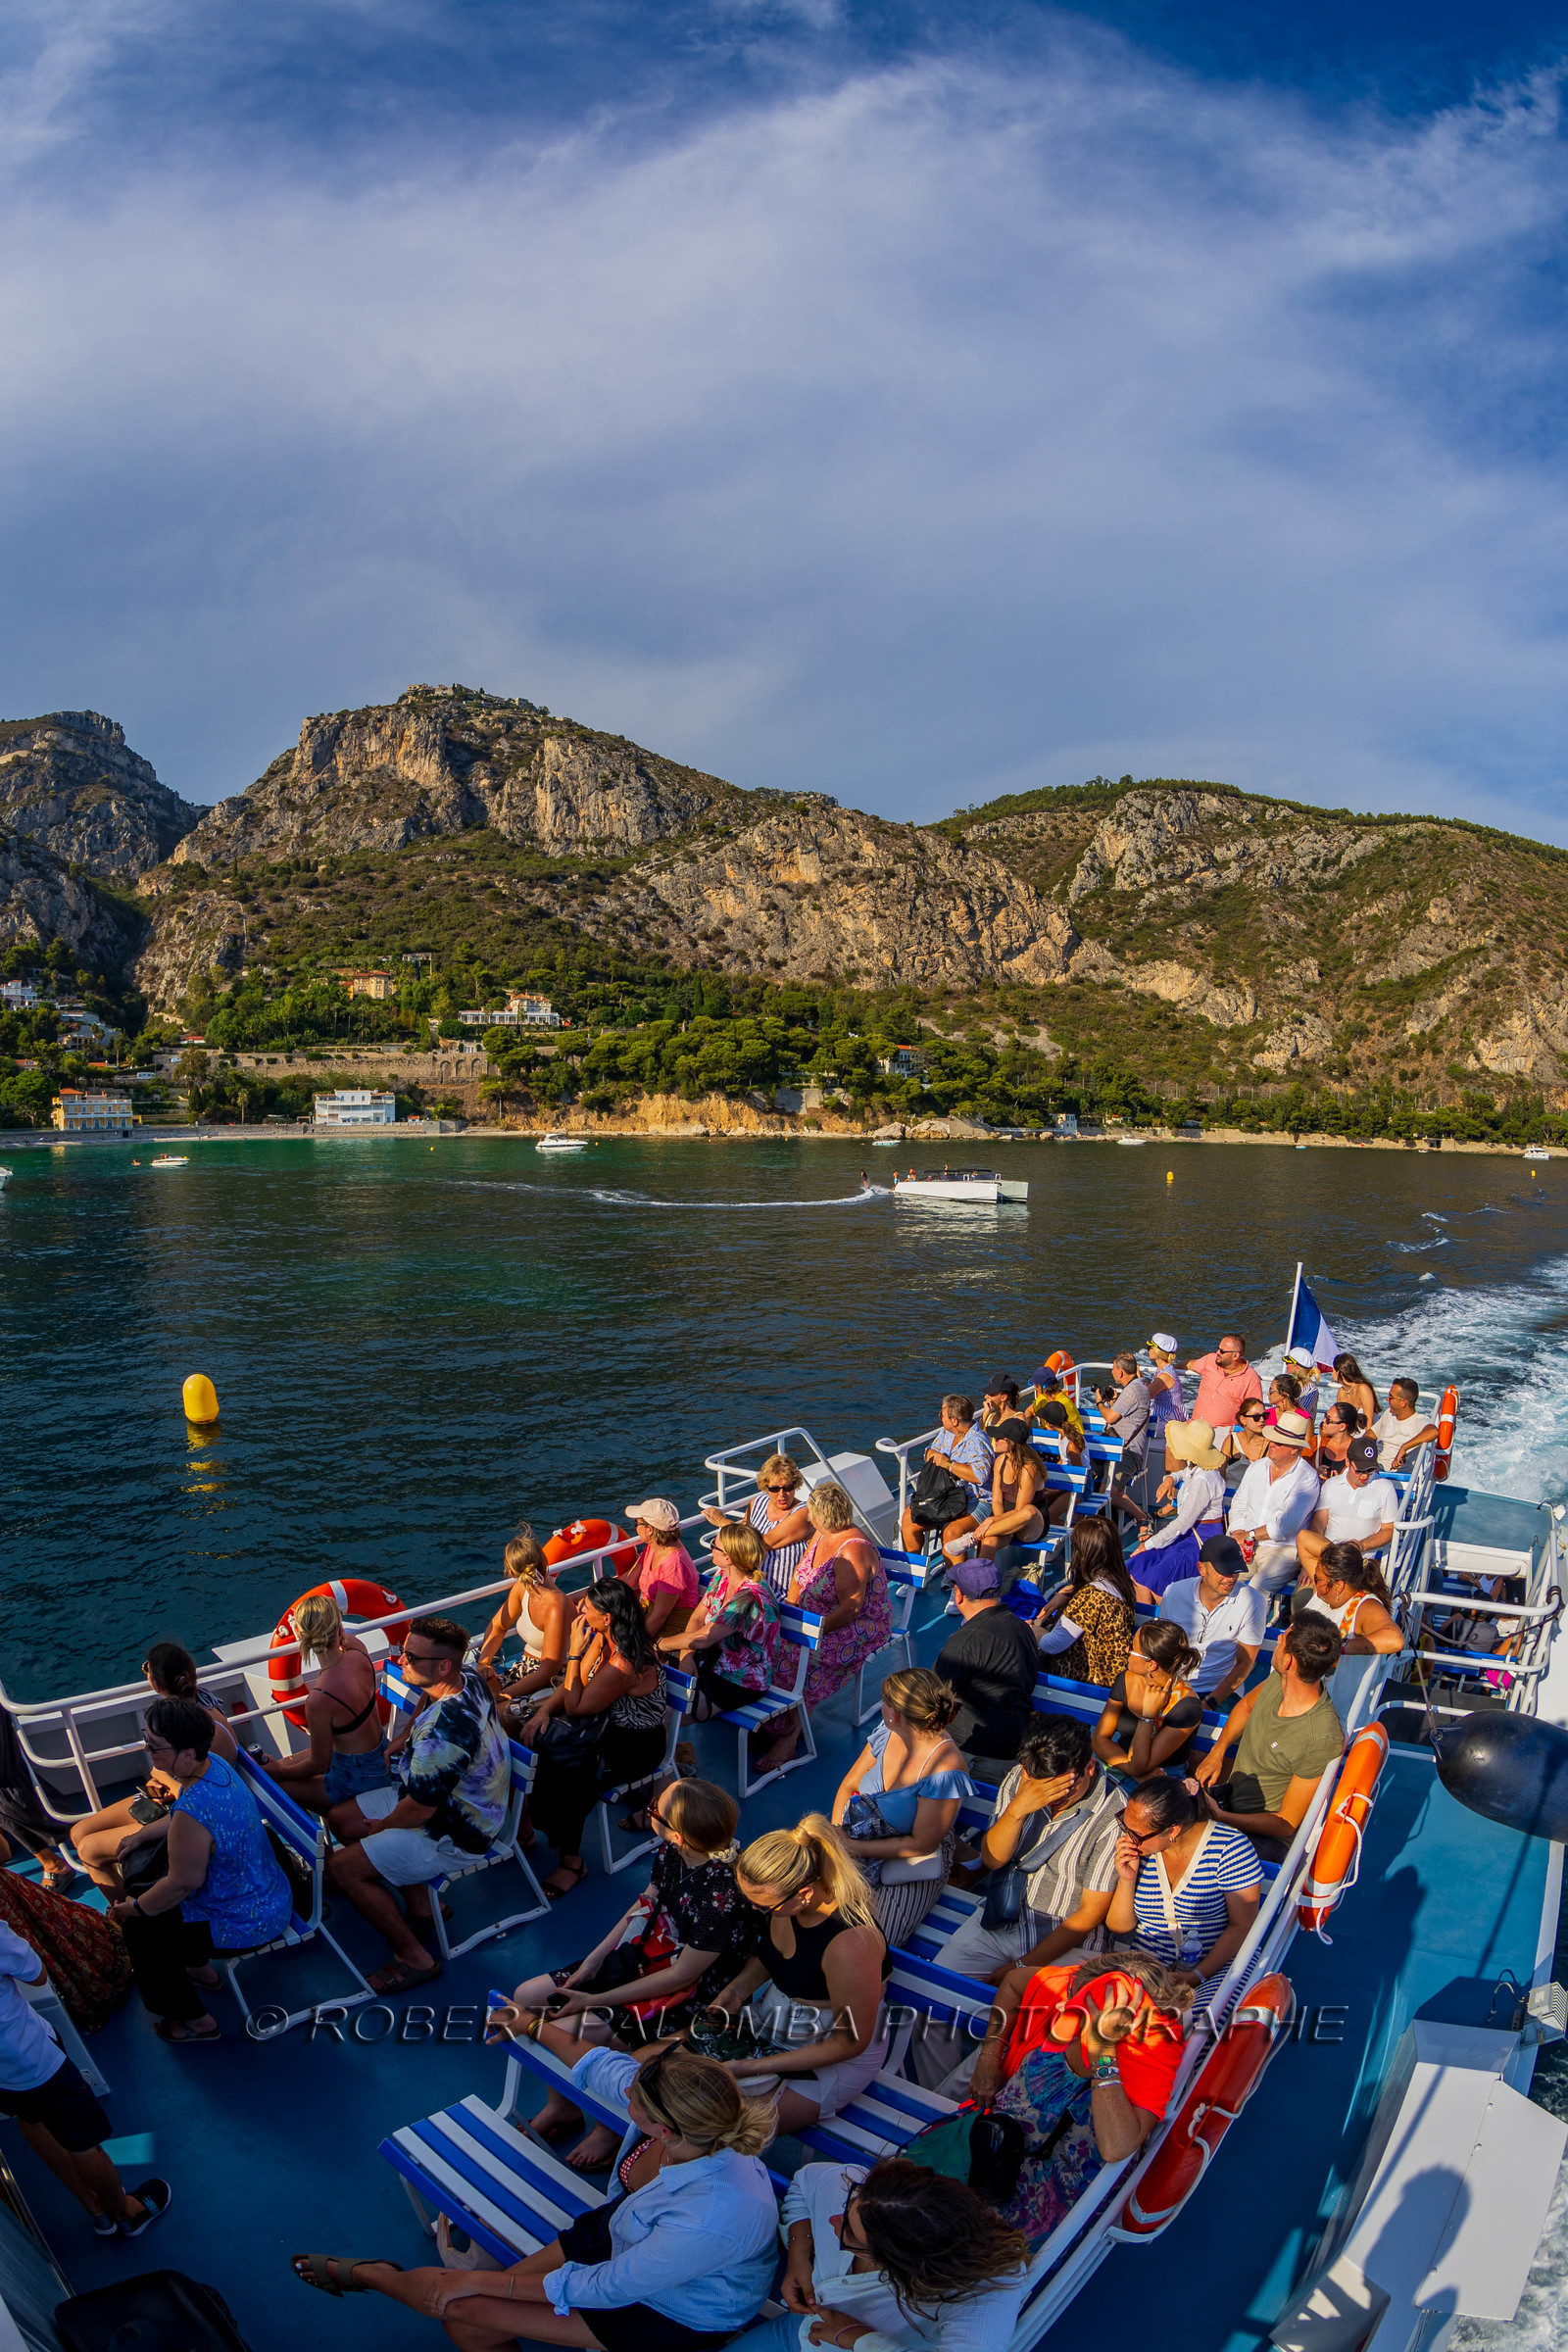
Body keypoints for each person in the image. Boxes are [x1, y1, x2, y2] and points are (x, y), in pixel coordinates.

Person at [293, 2043, 781, 2348]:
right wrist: (535, 2022)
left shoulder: (711, 2216)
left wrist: (488, 2285)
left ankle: (374, 2277)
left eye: (633, 2100)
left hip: (672, 2311)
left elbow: (610, 2288)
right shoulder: (691, 2129)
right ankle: (384, 2278)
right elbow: (604, 2069)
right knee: (463, 2311)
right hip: (622, 2232)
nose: (624, 2097)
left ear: (664, 2127)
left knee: (459, 2307)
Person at [501, 1778, 759, 2167]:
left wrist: (595, 1998)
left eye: (656, 1808)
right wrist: (593, 1960)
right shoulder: (674, 1853)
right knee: (528, 1997)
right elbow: (645, 1904)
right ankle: (563, 2105)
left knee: (573, 2027)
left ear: (679, 1834)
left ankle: (613, 2126)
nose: (650, 1807)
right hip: (645, 1956)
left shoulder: (721, 1897)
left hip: (688, 1991)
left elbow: (683, 1977)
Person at [326, 1615, 512, 1986]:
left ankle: (416, 1957)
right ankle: (423, 1906)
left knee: (343, 1869)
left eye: (410, 1656)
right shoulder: (468, 1678)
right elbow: (429, 1698)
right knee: (340, 1819)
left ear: (443, 1665)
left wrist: (381, 1829)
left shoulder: (443, 1736)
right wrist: (405, 1734)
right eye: (402, 1651)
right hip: (453, 1801)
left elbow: (419, 1810)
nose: (401, 1661)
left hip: (456, 1832)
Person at [965, 1950, 1190, 2244]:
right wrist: (989, 2059)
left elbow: (1115, 2147)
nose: (1061, 2004)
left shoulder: (1125, 2038)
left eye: (1071, 2002)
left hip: (1014, 2224)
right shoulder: (1082, 1989)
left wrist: (1102, 2049)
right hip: (991, 2159)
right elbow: (1014, 1980)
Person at [106, 1696, 292, 2042]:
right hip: (268, 1891)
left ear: (188, 1753)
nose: (150, 1752)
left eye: (155, 1747)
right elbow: (186, 1821)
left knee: (142, 1932)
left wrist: (133, 1909)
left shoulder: (194, 1808)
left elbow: (182, 1883)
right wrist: (145, 1831)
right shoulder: (217, 1765)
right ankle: (201, 1971)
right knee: (156, 1907)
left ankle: (193, 2020)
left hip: (247, 1922)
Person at [729, 2155, 1030, 2352]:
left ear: (898, 2262)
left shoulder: (981, 2288)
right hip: (799, 2335)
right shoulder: (852, 2191)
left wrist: (859, 2338)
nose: (835, 2220)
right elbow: (804, 2182)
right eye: (850, 2205)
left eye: (849, 2233)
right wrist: (799, 2252)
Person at [708, 1818, 891, 2135]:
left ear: (803, 1893)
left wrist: (752, 2066)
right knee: (680, 2086)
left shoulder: (850, 1945)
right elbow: (772, 1956)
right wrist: (736, 1992)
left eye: (762, 1906)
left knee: (718, 2129)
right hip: (779, 2017)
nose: (754, 1910)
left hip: (834, 2049)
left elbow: (850, 2042)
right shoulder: (787, 1906)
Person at [0, 1916, 169, 2237]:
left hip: (3, 2075)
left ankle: (94, 2209)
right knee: (84, 2144)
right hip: (33, 2060)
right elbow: (36, 1975)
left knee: (30, 2119)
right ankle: (125, 2213)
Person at [929, 1716, 1121, 1989]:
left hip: (1068, 1944)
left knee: (1035, 2024)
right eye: (1038, 1786)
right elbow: (993, 1859)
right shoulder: (1024, 1777)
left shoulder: (1113, 1815)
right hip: (1001, 1921)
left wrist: (1021, 1966)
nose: (1050, 1798)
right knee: (935, 1989)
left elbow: (1090, 1914)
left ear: (1089, 1767)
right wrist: (1017, 1809)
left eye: (1061, 1790)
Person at [519, 1583, 666, 1902]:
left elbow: (576, 1704)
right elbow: (577, 1683)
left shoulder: (628, 1662)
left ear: (607, 1617)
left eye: (587, 1608)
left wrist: (573, 1650)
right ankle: (531, 1824)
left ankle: (571, 1863)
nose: (580, 1611)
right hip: (605, 1731)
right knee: (537, 1745)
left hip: (636, 1746)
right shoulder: (602, 1639)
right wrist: (542, 1712)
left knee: (568, 1776)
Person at [71, 1642, 240, 1893]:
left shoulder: (200, 1729)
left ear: (156, 1685)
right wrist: (161, 1779)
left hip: (191, 1814)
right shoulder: (193, 1706)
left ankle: (124, 1917)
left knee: (88, 1850)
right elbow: (176, 1774)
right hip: (174, 1797)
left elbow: (202, 1797)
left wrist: (164, 1779)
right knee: (78, 1832)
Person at [753, 1486, 891, 1776]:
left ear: (819, 1515)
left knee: (811, 1657)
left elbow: (851, 1608)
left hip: (858, 1624)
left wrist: (812, 1632)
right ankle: (784, 1718)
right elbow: (799, 1576)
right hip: (814, 1616)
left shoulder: (852, 1551)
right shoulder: (822, 1534)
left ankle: (790, 1738)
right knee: (775, 1645)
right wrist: (789, 1611)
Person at [832, 1669, 972, 1947]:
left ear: (894, 1713)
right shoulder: (887, 1732)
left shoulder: (945, 1769)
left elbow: (920, 1844)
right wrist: (837, 1833)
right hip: (852, 1839)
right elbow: (849, 1785)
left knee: (868, 1943)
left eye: (885, 1701)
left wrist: (851, 1847)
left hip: (908, 1864)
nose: (881, 1706)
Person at [1195, 1617, 1346, 1860]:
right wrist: (1218, 1752)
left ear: (1288, 1661)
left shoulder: (1322, 1737)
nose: (1277, 1639)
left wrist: (1221, 1818)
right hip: (1227, 1807)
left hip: (1263, 1839)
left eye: (1283, 1638)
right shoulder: (1280, 1680)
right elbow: (1246, 1707)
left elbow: (1285, 1823)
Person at [1105, 1777, 1262, 1984]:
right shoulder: (1140, 1852)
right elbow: (1119, 1926)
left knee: (1198, 2016)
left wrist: (1195, 1976)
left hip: (1216, 1968)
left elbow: (1242, 1926)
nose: (1126, 1838)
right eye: (1124, 1824)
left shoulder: (1230, 1849)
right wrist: (1127, 1879)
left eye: (1136, 1834)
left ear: (1172, 1831)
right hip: (1148, 1969)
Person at [261, 1591, 389, 1813]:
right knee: (281, 1764)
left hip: (354, 1781)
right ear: (339, 1628)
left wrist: (280, 1773)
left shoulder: (320, 1698)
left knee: (274, 1784)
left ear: (302, 1636)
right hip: (380, 1760)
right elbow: (343, 1637)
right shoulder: (358, 1651)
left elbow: (320, 1763)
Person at [933, 1558, 1042, 1783]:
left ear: (959, 1595)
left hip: (974, 1753)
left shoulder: (965, 1641)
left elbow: (934, 1699)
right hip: (1012, 1747)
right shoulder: (1022, 1627)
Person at [662, 1521, 780, 1719]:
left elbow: (704, 1637)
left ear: (728, 1557)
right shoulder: (722, 1576)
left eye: (714, 1546)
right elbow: (698, 1618)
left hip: (740, 1679)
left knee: (664, 1715)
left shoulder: (749, 1597)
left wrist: (659, 1644)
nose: (712, 1550)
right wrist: (686, 1656)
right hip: (712, 1661)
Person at [1157, 1535, 1267, 1706]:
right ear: (1201, 1569)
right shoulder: (1174, 1593)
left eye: (1235, 1571)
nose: (1231, 1578)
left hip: (1221, 1693)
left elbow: (1245, 1663)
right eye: (1224, 1571)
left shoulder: (1253, 1602)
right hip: (1176, 1686)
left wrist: (1210, 1702)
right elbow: (1162, 1650)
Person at [478, 1529, 576, 1715]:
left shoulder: (556, 1606)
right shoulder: (521, 1590)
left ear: (510, 1571)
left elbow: (549, 1671)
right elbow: (498, 1626)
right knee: (473, 1694)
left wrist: (502, 1695)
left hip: (553, 1679)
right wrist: (484, 1662)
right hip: (524, 1669)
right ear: (544, 1562)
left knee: (494, 1713)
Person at [1127, 1419, 1227, 1601]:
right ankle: (1148, 1617)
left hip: (1200, 1540)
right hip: (1190, 1533)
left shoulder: (1202, 1481)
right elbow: (1184, 1473)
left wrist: (1148, 1544)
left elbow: (1182, 1523)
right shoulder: (1197, 1468)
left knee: (1155, 1570)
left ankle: (1158, 1615)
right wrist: (1170, 1479)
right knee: (1138, 1564)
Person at [1092, 1623, 1204, 1782]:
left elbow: (1139, 1763)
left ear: (1151, 1664)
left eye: (1132, 1648)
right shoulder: (1126, 1679)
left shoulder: (1187, 1707)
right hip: (1118, 1762)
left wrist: (1148, 1716)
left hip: (1163, 1776)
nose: (1126, 1650)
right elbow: (1099, 1740)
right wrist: (1131, 1770)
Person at [1033, 1517, 1136, 1689]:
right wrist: (1069, 1592)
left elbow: (1052, 1645)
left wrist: (1035, 1631)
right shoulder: (1121, 1583)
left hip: (1086, 1684)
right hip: (1112, 1679)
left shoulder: (1090, 1598)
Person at [1225, 1409, 1321, 1593]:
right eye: (1272, 1439)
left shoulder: (1307, 1478)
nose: (1271, 1444)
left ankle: (1253, 1623)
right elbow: (1239, 1503)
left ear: (1294, 1448)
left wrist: (1249, 1535)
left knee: (1258, 1587)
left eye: (1278, 1442)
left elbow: (1286, 1524)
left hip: (1284, 1550)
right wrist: (1238, 1532)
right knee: (1220, 1575)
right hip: (1248, 1543)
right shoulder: (1258, 1467)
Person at [947, 1419, 1048, 1580]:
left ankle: (973, 1537)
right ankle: (982, 1584)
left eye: (999, 1438)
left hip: (1029, 1525)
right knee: (988, 1541)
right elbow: (997, 1501)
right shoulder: (1000, 1461)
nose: (995, 1440)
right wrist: (994, 1521)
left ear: (1011, 1443)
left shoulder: (1028, 1469)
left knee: (1028, 1511)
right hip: (1004, 1518)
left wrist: (990, 1521)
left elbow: (1020, 1511)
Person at [704, 1455, 812, 1601]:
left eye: (788, 1487)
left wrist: (723, 1522)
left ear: (795, 1485)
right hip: (750, 1587)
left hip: (780, 1595)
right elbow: (740, 1541)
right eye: (774, 1489)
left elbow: (763, 1543)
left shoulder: (803, 1513)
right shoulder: (757, 1503)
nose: (782, 1494)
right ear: (766, 1486)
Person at [1297, 1437, 1399, 1579]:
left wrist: (1361, 1545)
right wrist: (1309, 1565)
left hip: (1361, 1562)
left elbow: (1390, 1530)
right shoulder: (1331, 1485)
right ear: (1347, 1462)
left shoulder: (1385, 1488)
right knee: (1301, 1597)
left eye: (1370, 1470)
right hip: (1328, 1557)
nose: (1365, 1475)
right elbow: (1318, 1525)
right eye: (1360, 1470)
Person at [901, 1396, 994, 1555]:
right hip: (946, 1497)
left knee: (951, 1533)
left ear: (954, 1421)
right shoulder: (946, 1433)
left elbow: (979, 1476)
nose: (940, 1418)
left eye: (942, 1415)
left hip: (977, 1500)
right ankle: (914, 1571)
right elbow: (929, 1451)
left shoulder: (978, 1442)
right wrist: (937, 1457)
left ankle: (956, 1578)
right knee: (908, 1520)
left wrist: (948, 1464)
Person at [1293, 1543, 1402, 1656]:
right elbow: (1303, 1539)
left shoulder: (1365, 1606)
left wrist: (1336, 1646)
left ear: (1338, 1586)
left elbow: (1395, 1640)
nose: (1314, 1582)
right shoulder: (1323, 1592)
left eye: (1317, 1579)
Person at [618, 1500, 702, 1638]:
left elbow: (659, 1618)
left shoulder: (674, 1564)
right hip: (649, 1614)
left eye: (637, 1524)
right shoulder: (652, 1547)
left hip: (671, 1627)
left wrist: (634, 1646)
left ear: (650, 1529)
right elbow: (628, 1580)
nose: (636, 1528)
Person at [1185, 1334, 1263, 1431]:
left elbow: (1255, 1411)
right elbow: (1189, 1364)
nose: (1217, 1352)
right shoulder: (1210, 1360)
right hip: (1194, 1425)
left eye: (1222, 1351)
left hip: (1223, 1433)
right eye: (1218, 1348)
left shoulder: (1250, 1378)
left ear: (1235, 1355)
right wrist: (1168, 1369)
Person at [1374, 1379, 1439, 1471]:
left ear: (1403, 1403)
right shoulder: (1388, 1413)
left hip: (1399, 1478)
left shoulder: (1419, 1420)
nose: (1387, 1399)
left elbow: (1433, 1432)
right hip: (1373, 1471)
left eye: (1391, 1397)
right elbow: (1370, 1435)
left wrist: (1404, 1447)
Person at [1025, 1363, 1085, 1446]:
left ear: (1040, 1387)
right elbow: (1029, 1411)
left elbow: (1078, 1435)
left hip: (1064, 1445)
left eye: (1035, 1385)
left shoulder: (1064, 1404)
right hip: (1044, 1443)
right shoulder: (1042, 1399)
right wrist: (1028, 1431)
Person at [1144, 1335, 1184, 1444]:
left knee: (1136, 1427)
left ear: (1158, 1351)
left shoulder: (1166, 1375)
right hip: (1162, 1417)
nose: (1148, 1350)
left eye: (1150, 1347)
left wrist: (1136, 1375)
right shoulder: (1163, 1370)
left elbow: (1149, 1394)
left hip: (1168, 1422)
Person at [1219, 1398, 1271, 1472]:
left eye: (1264, 1415)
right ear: (1243, 1419)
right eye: (1256, 1417)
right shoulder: (1232, 1440)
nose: (1262, 1419)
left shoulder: (1270, 1444)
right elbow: (1220, 1472)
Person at [1314, 1402, 1363, 1479]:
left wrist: (1341, 1482)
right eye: (1324, 1416)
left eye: (1328, 1420)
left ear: (1342, 1426)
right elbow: (1301, 1471)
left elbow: (1367, 1477)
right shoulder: (1315, 1443)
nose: (1323, 1421)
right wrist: (1314, 1473)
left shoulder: (1359, 1450)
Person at [1334, 1353, 1380, 1430]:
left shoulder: (1362, 1389)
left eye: (1332, 1370)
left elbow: (1370, 1422)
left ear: (1338, 1373)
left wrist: (1365, 1441)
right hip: (1349, 1435)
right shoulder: (1341, 1392)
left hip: (1365, 1434)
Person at [1285, 1345, 1322, 1420]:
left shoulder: (1311, 1391)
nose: (1286, 1364)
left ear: (1296, 1367)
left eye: (1288, 1362)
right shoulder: (1289, 1383)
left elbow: (1299, 1415)